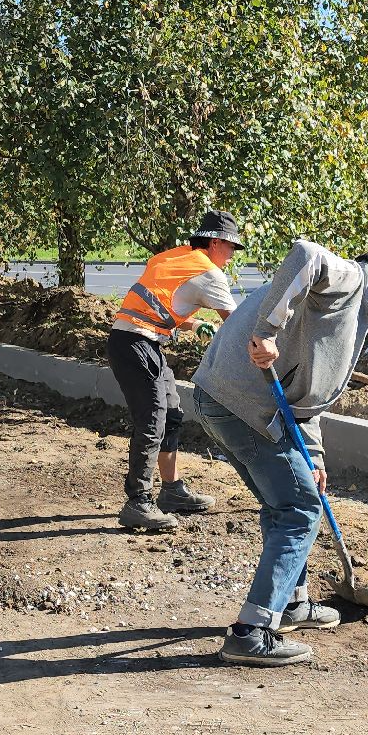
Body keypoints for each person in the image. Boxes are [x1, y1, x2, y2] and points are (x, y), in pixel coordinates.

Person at [192, 236, 368, 667]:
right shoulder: (352, 280)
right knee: (300, 510)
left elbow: (309, 399)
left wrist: (314, 459)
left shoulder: (350, 310)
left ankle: (293, 603)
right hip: (243, 403)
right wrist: (265, 332)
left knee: (282, 501)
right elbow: (306, 254)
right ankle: (251, 632)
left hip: (223, 398)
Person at [108, 210, 244, 531]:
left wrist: (196, 324)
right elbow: (238, 325)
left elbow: (162, 303)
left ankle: (171, 492)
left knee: (170, 413)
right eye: (231, 248)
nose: (232, 256)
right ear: (215, 242)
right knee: (153, 418)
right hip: (136, 343)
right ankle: (138, 502)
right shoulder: (210, 272)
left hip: (134, 340)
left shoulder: (174, 258)